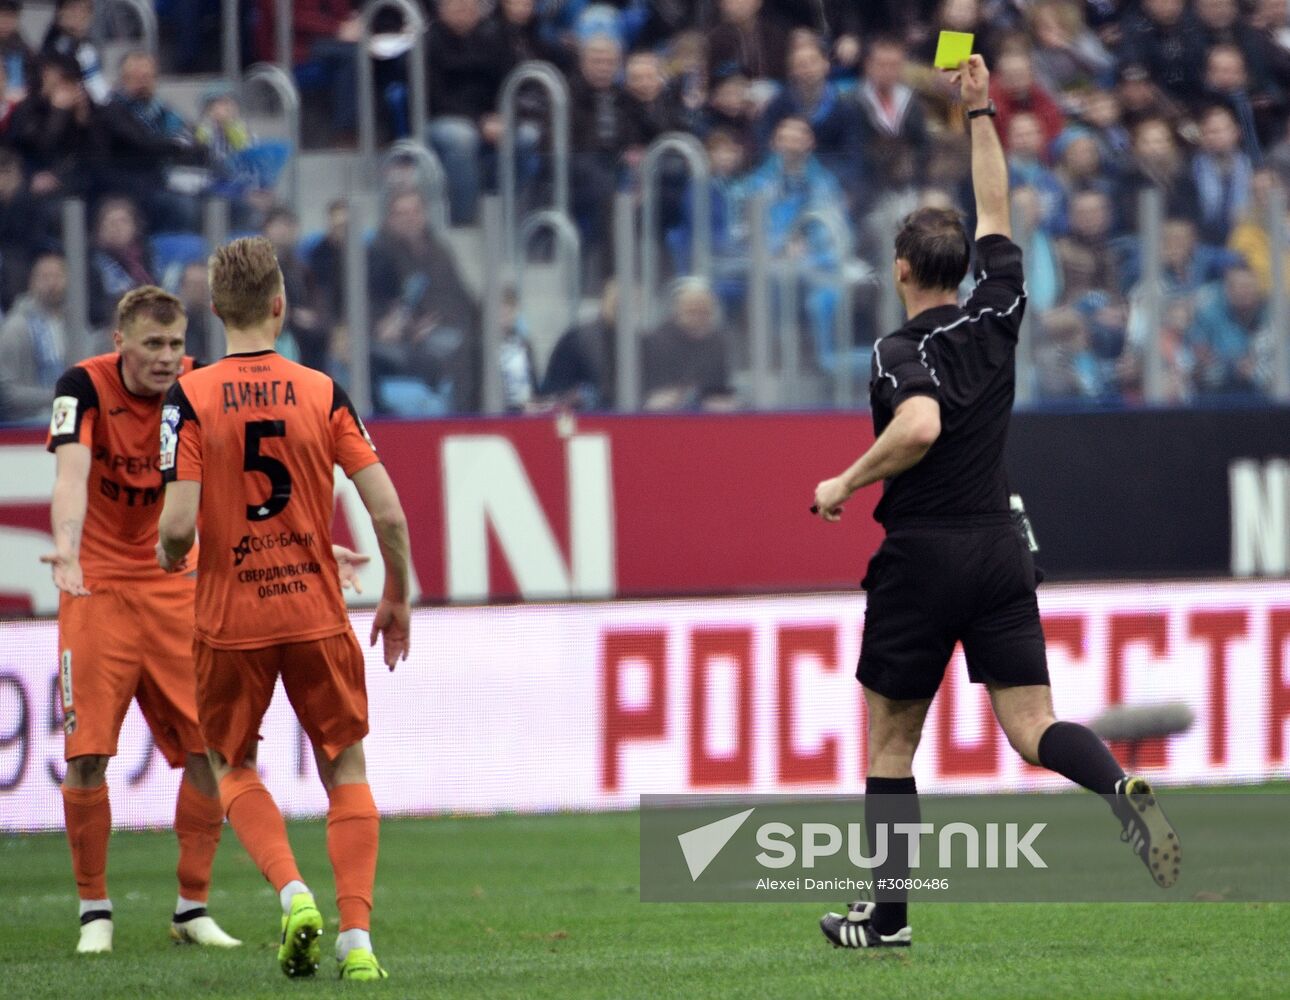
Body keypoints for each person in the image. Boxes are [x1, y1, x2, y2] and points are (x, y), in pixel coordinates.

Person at [811, 55, 1179, 951]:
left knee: (890, 744)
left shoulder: (897, 350)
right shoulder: (1000, 309)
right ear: (964, 268)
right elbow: (999, 212)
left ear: (902, 268)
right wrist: (980, 113)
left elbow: (920, 427)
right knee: (1032, 724)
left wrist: (846, 481)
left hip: (924, 553)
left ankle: (887, 919)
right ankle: (1118, 789)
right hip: (1001, 547)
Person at [156, 236, 411, 981]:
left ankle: (294, 893)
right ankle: (357, 942)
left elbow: (177, 526)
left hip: (230, 620)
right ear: (280, 304)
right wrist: (397, 593)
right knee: (346, 764)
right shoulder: (322, 390)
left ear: (214, 310)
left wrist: (171, 555)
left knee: (231, 763)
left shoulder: (189, 398)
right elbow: (388, 514)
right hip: (314, 611)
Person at [40, 286, 240, 954]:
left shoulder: (199, 388)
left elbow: (245, 478)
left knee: (210, 747)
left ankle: (192, 907)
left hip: (175, 581)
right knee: (88, 753)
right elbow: (71, 476)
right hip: (97, 583)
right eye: (152, 343)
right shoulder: (82, 387)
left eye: (176, 343)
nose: (166, 357)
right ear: (119, 341)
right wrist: (67, 547)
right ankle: (94, 912)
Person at [0, 252, 77, 422]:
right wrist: (57, 395)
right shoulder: (16, 327)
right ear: (32, 282)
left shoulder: (76, 326)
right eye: (45, 277)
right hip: (27, 424)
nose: (52, 283)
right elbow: (6, 391)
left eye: (58, 276)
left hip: (70, 419)